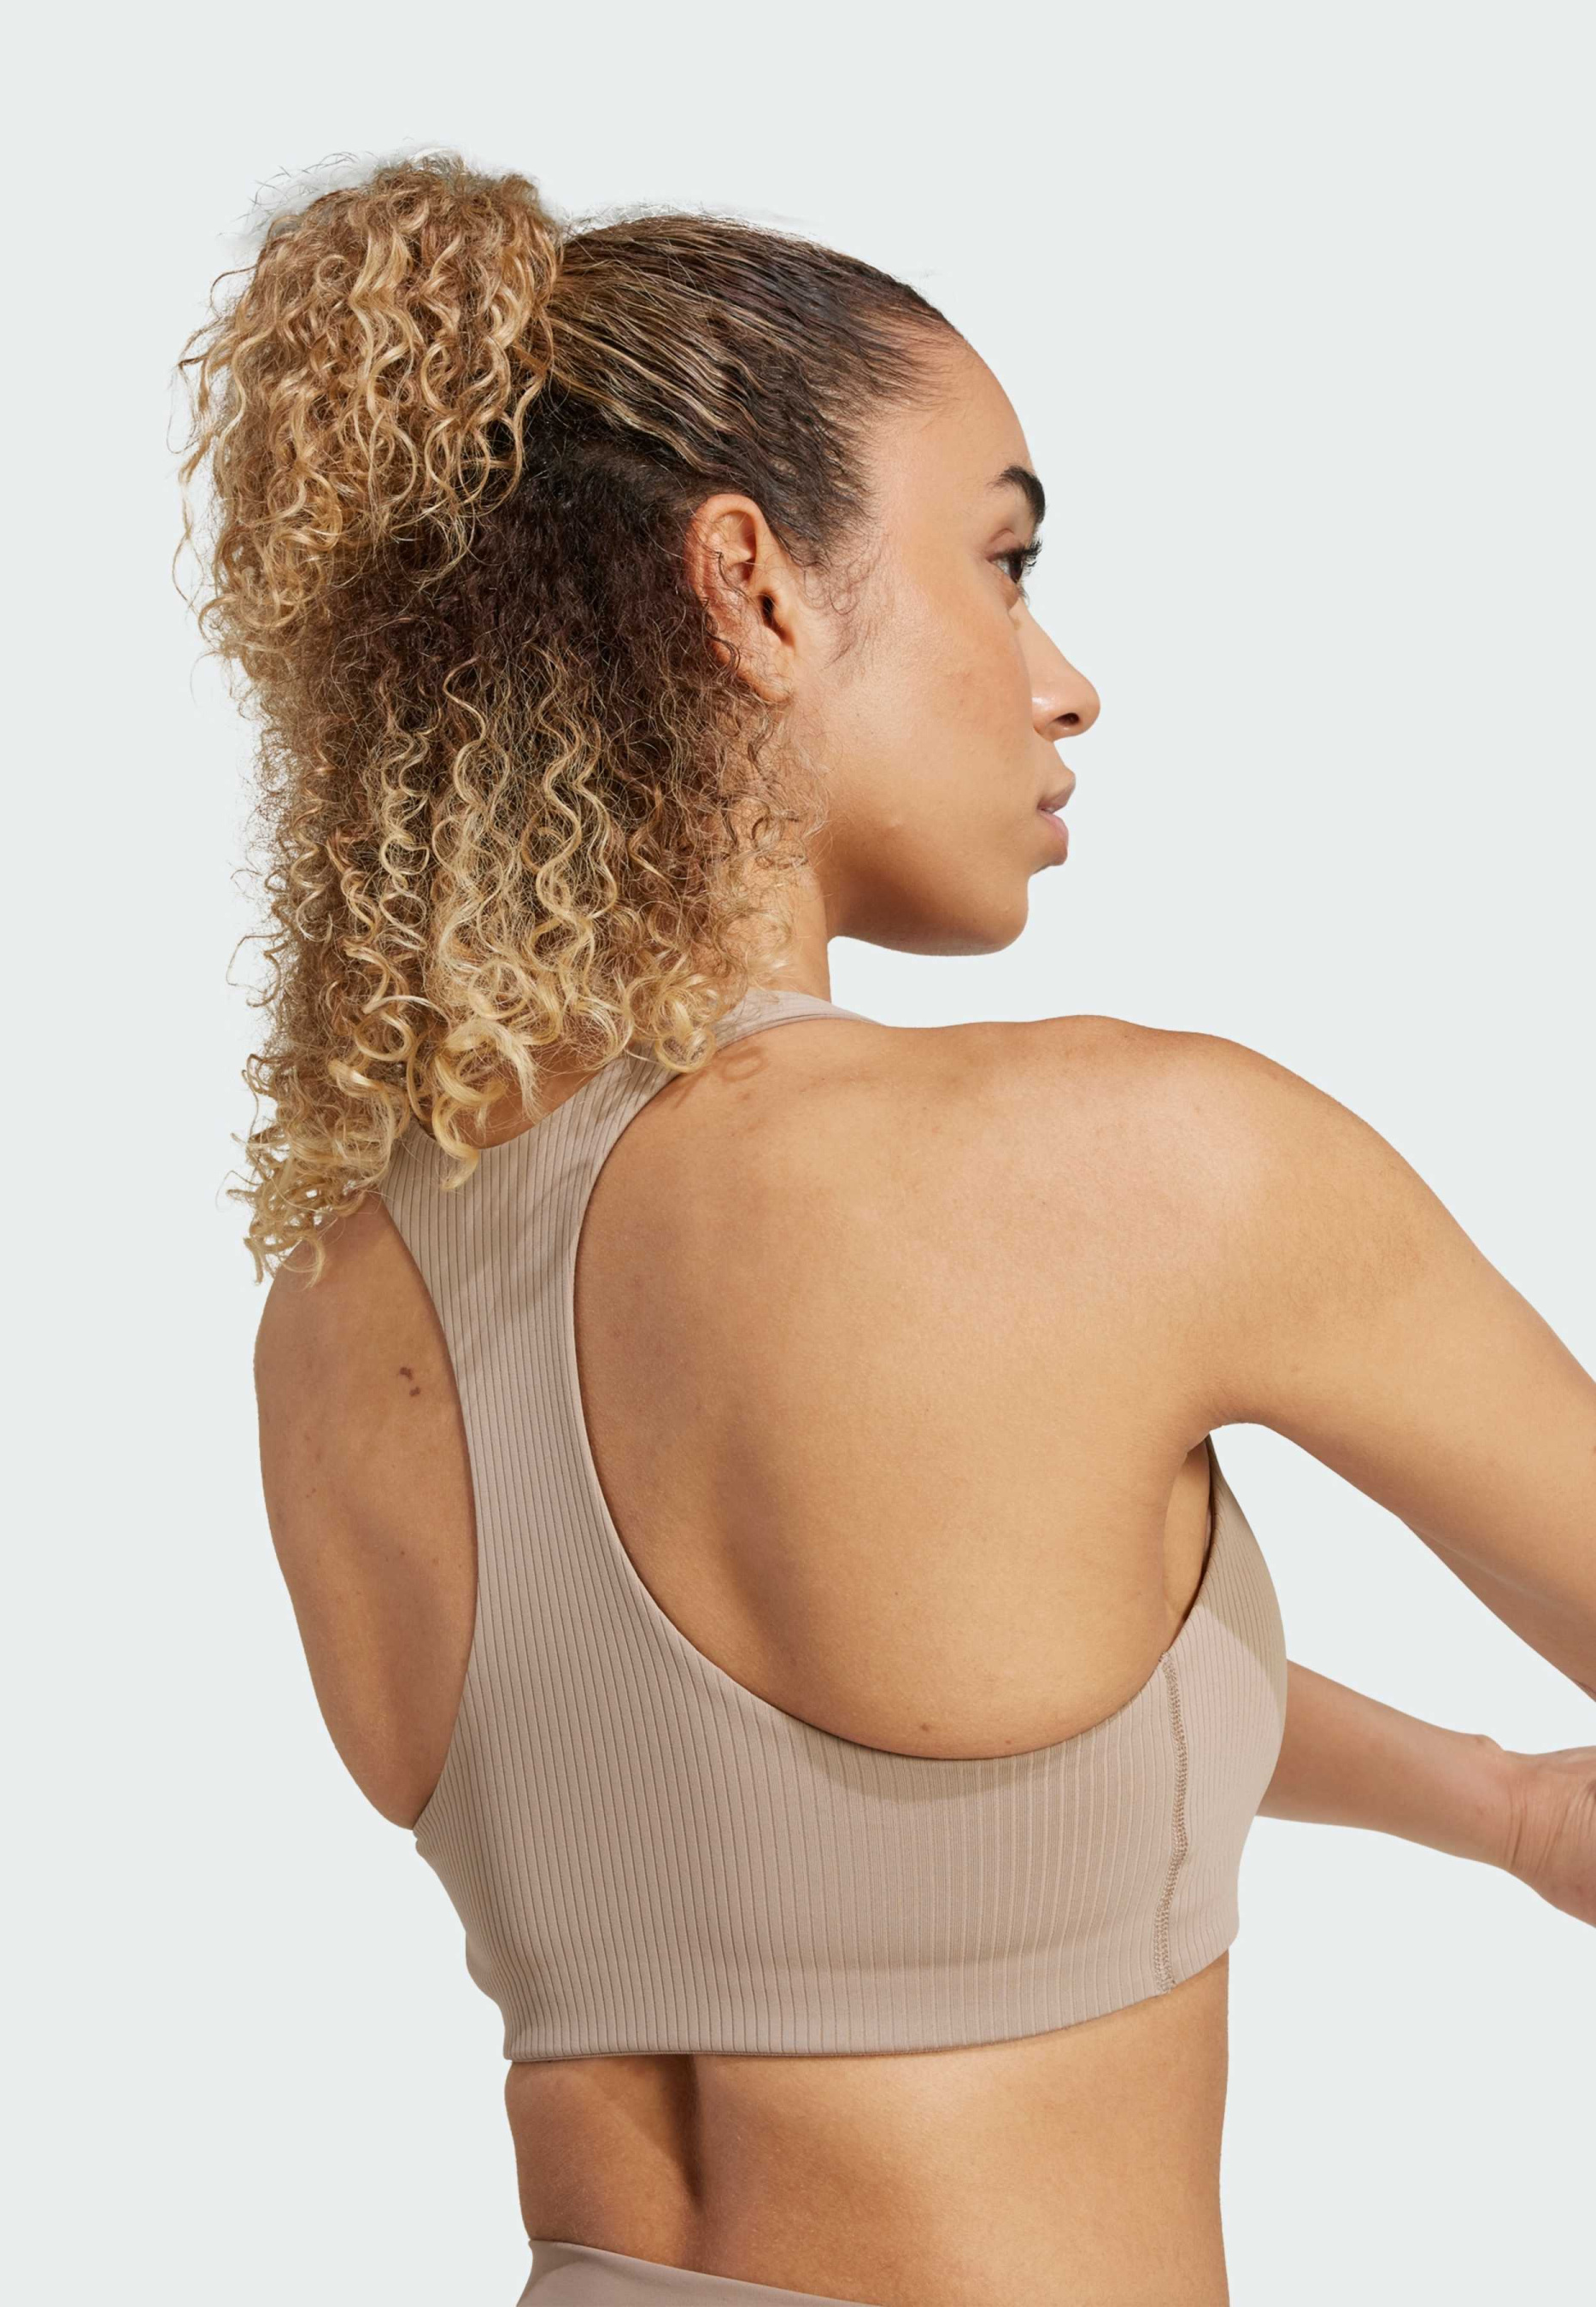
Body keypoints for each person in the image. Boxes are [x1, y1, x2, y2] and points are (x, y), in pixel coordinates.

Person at [178, 151, 1596, 2306]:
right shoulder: (1129, 1160)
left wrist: (1492, 1806)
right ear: (749, 587)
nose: (1062, 680)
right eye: (1002, 563)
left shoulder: (349, 1303)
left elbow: (894, 1749)